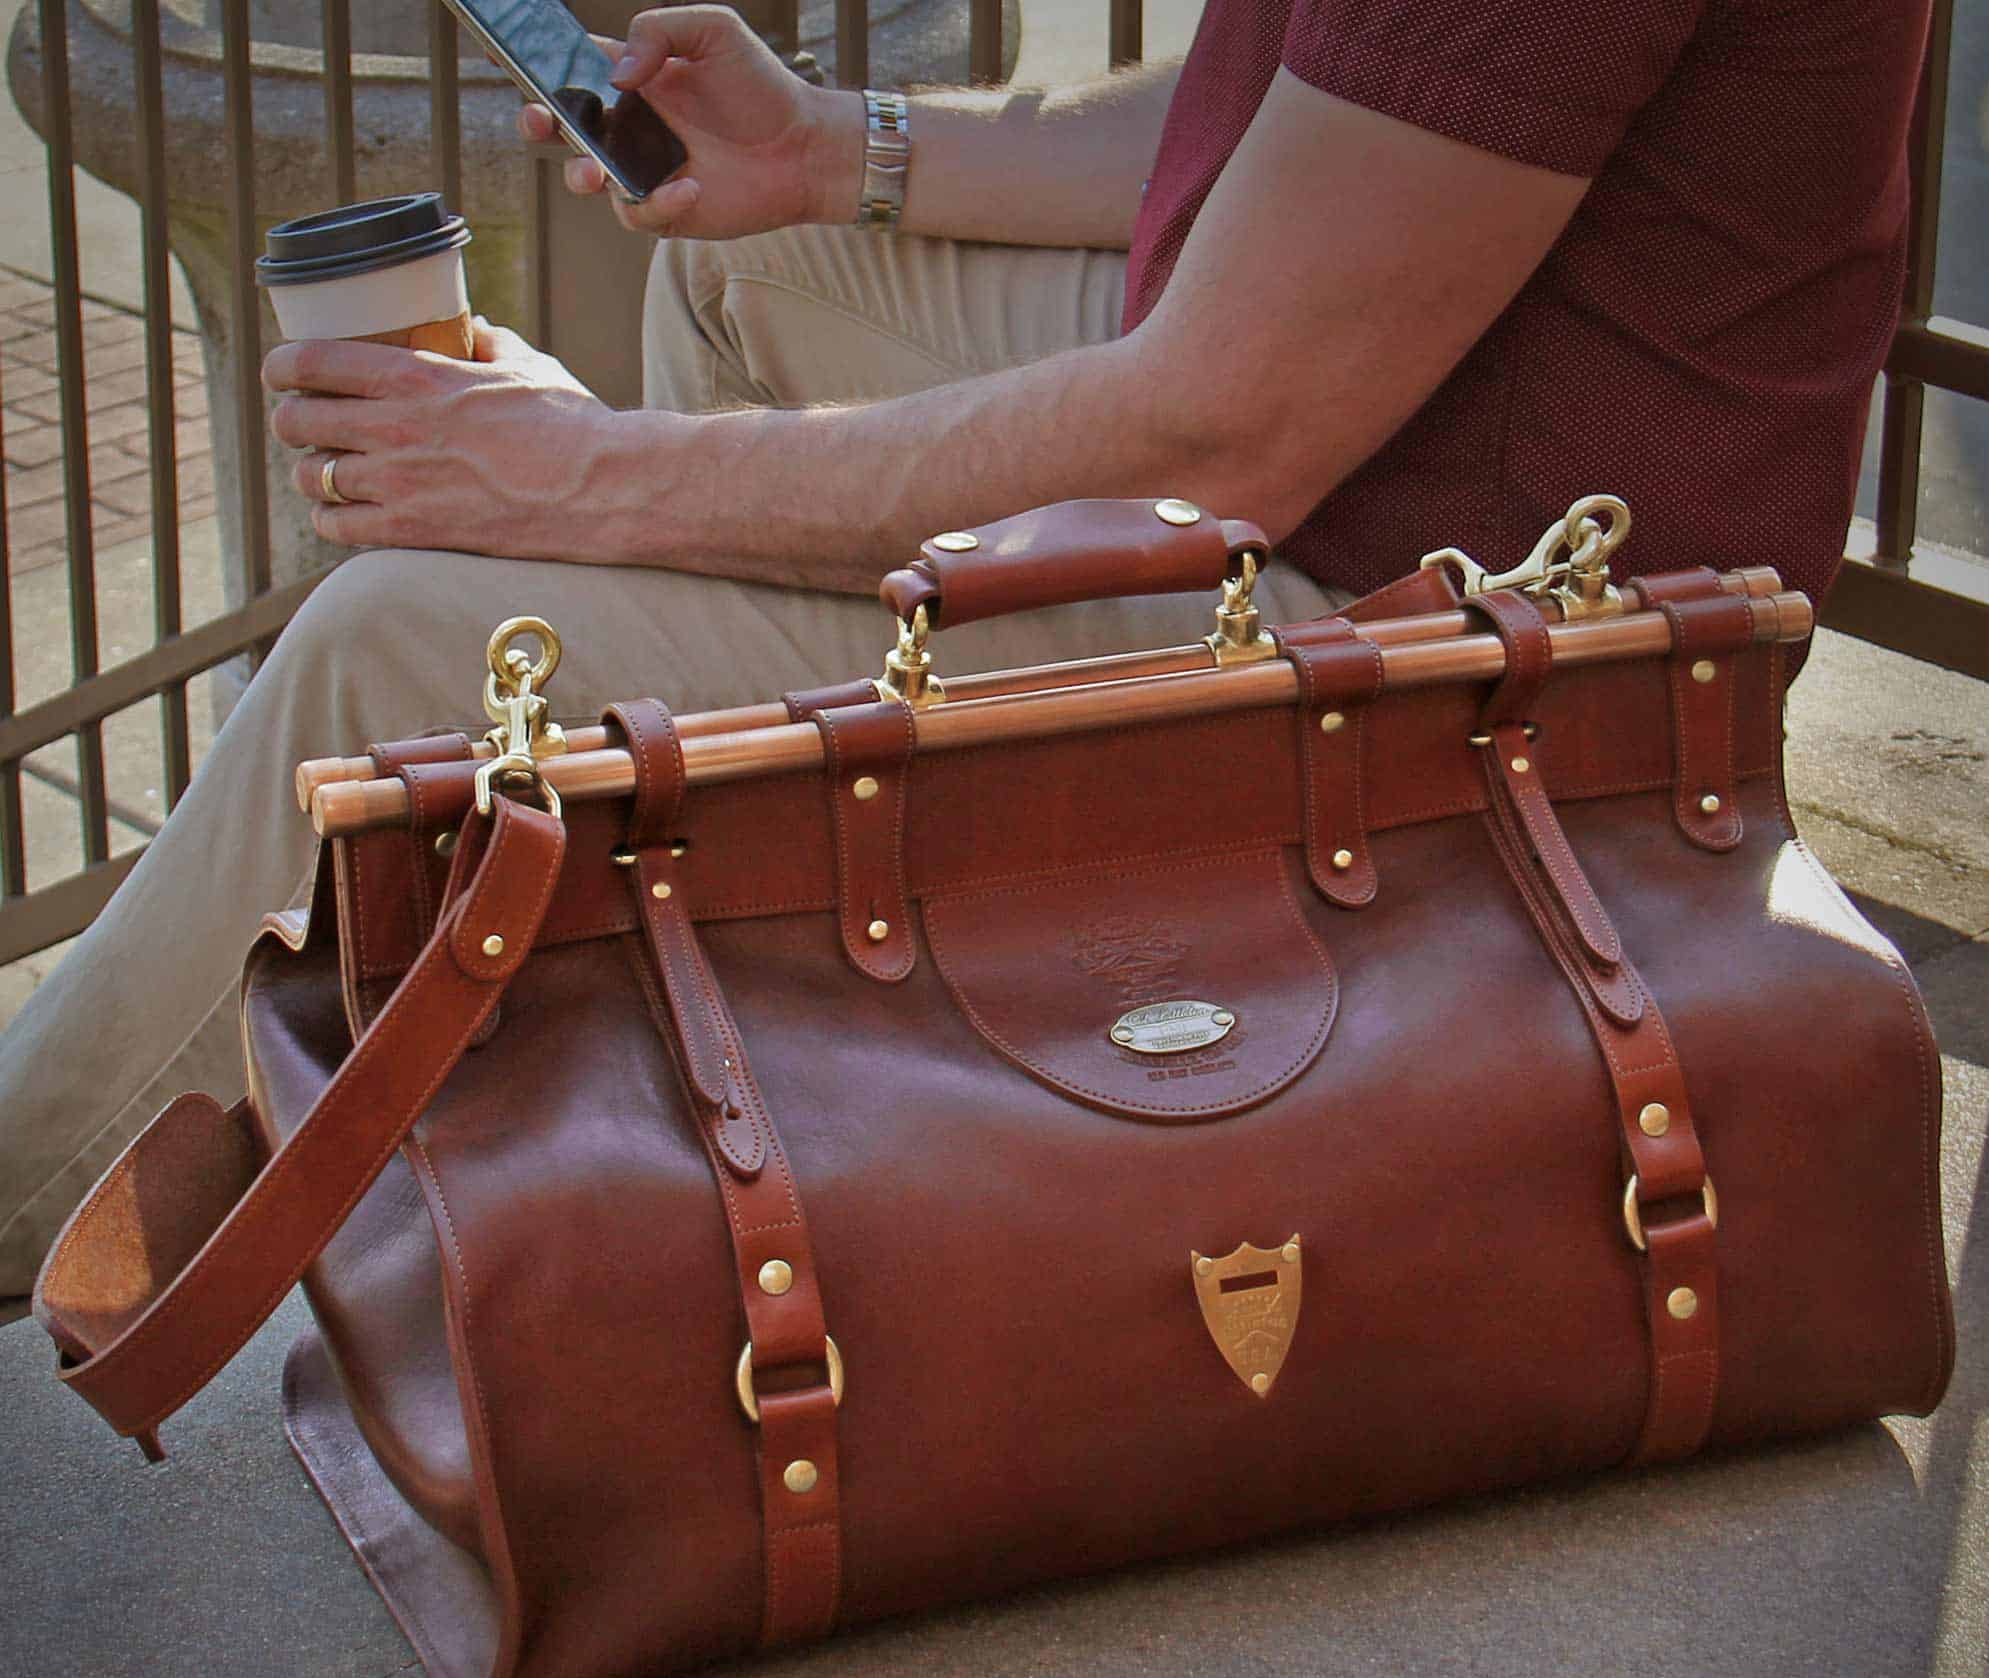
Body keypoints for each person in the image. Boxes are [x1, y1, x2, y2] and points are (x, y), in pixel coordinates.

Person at [0, 0, 1931, 1294]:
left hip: (1486, 640)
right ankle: (819, 970)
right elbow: (1288, 124)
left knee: (401, 644)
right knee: (749, 258)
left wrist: (580, 485)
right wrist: (841, 150)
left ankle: (18, 1207)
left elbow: (1218, 433)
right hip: (1381, 458)